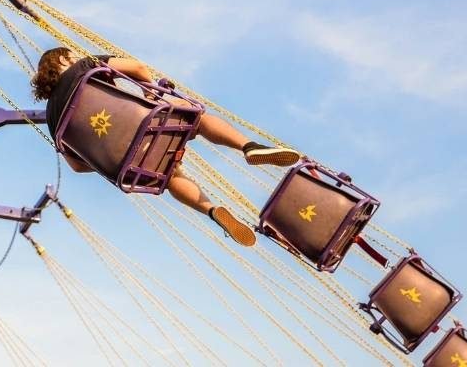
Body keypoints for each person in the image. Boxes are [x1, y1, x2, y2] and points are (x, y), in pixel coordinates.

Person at [31, 48, 301, 247]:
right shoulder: (83, 66)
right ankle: (248, 147)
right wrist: (151, 92)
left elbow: (77, 166)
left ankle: (210, 210)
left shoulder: (53, 120)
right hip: (146, 125)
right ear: (63, 59)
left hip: (128, 161)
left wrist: (108, 153)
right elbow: (137, 68)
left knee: (170, 177)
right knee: (196, 116)